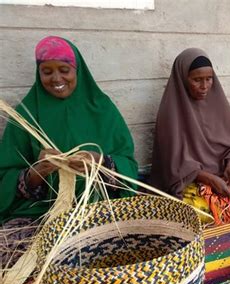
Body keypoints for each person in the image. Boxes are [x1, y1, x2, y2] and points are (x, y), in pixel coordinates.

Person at [0, 36, 138, 262]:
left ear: (78, 70)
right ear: (39, 73)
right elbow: (4, 177)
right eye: (47, 72)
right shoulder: (25, 114)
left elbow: (129, 167)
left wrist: (101, 163)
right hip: (40, 214)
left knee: (117, 256)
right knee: (12, 255)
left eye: (64, 70)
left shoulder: (102, 109)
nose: (56, 79)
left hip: (99, 208)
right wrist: (36, 173)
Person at [149, 48, 230, 224]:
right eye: (197, 80)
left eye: (209, 79)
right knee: (198, 213)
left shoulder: (217, 104)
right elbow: (173, 165)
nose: (204, 87)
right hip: (190, 181)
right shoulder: (170, 113)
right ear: (182, 79)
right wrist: (209, 179)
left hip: (222, 175)